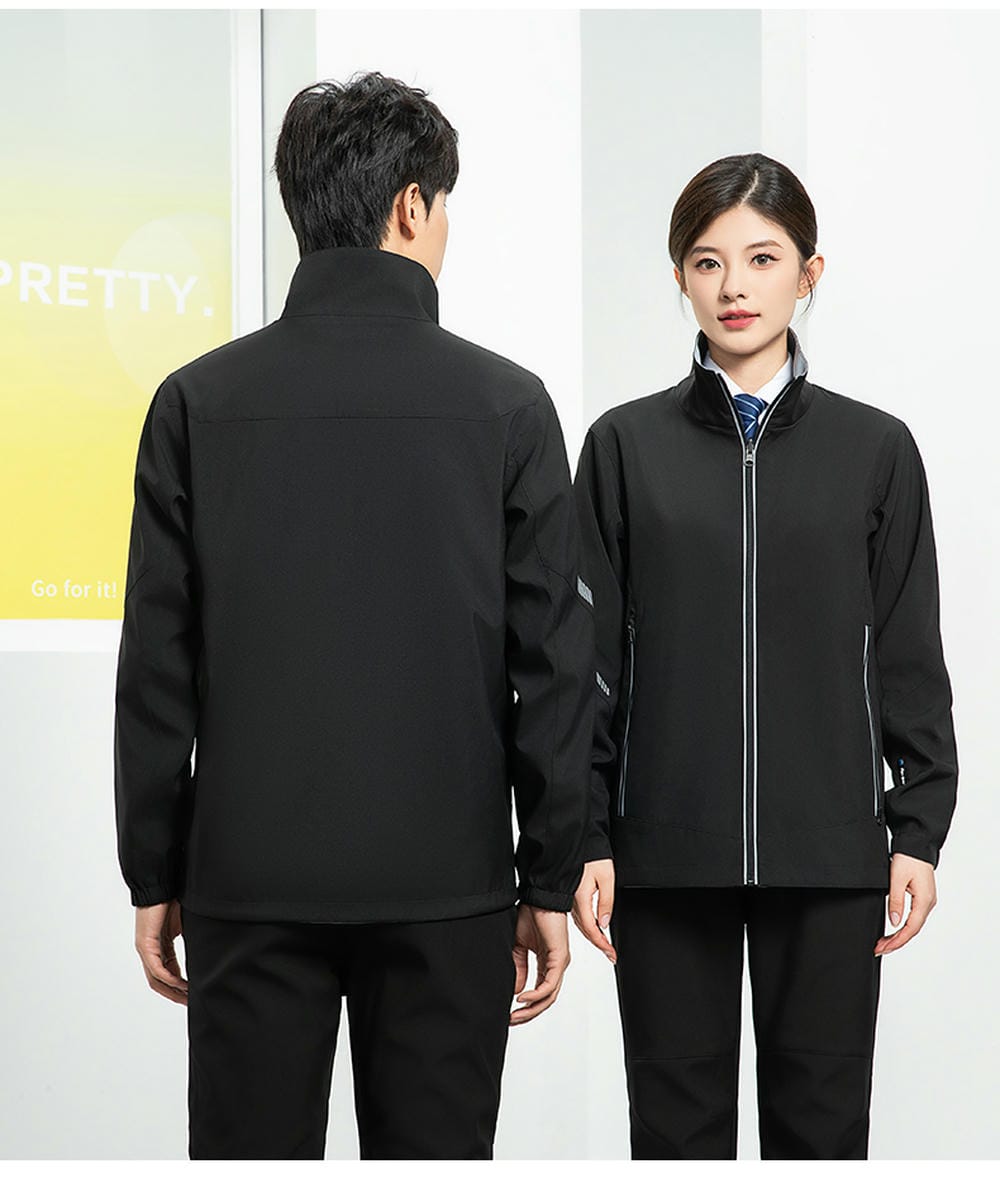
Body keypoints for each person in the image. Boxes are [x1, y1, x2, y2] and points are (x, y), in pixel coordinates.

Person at [113, 70, 594, 1160]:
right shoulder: (508, 405)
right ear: (412, 206)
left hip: (247, 879)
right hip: (448, 889)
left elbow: (156, 665)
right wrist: (547, 875)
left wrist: (155, 869)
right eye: (444, 205)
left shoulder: (197, 400)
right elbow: (555, 668)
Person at [570, 152, 958, 1160]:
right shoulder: (623, 447)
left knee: (822, 1145)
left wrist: (916, 830)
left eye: (761, 258)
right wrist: (587, 834)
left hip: (829, 856)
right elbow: (588, 664)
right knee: (675, 1143)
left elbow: (908, 652)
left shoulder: (874, 450)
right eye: (707, 262)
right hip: (665, 856)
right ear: (679, 278)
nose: (733, 286)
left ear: (808, 273)